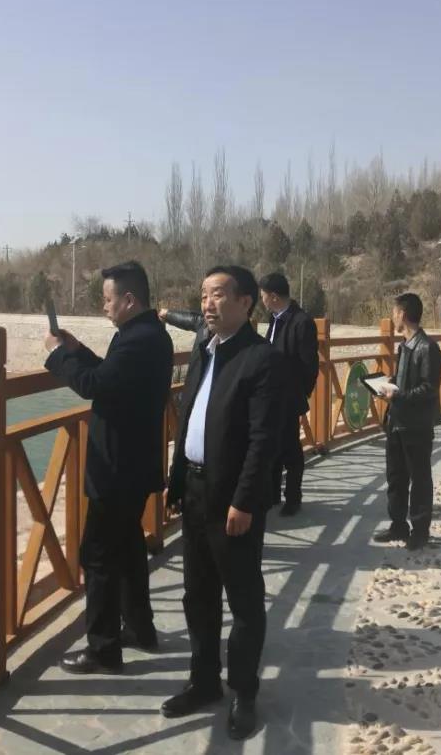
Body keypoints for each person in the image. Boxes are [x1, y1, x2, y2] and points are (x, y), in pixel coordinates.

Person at [162, 265, 286, 740]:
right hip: (195, 491)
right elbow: (188, 419)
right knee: (198, 595)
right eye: (203, 295)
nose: (207, 304)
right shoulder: (204, 349)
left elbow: (263, 441)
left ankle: (244, 693)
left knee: (244, 601)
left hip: (232, 500)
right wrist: (176, 481)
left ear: (245, 303)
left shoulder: (261, 359)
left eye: (217, 295)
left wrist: (245, 501)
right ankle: (203, 681)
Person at [44, 262, 173, 674]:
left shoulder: (138, 340)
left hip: (118, 467)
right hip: (132, 464)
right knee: (129, 548)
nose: (104, 306)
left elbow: (94, 385)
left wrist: (57, 356)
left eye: (107, 299)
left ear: (129, 300)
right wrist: (76, 349)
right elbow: (110, 375)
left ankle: (103, 649)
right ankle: (139, 628)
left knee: (97, 555)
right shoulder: (146, 334)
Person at [371, 293, 441, 551]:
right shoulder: (405, 345)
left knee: (420, 479)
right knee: (396, 477)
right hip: (397, 421)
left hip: (416, 425)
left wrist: (398, 395)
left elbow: (429, 389)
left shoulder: (427, 348)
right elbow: (405, 381)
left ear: (402, 314)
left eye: (394, 312)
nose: (392, 317)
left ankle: (420, 531)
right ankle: (398, 525)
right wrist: (388, 384)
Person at [258, 272, 319, 516]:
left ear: (273, 296)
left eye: (263, 295)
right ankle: (272, 493)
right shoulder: (274, 319)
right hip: (269, 396)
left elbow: (309, 365)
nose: (262, 300)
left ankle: (293, 497)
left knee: (291, 449)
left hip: (289, 397)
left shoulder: (301, 322)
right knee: (270, 446)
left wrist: (299, 394)